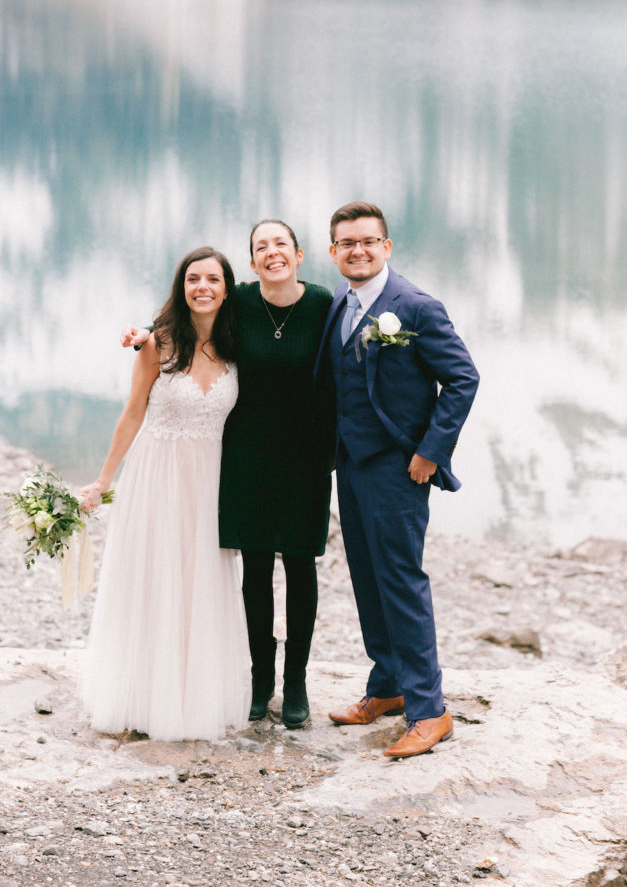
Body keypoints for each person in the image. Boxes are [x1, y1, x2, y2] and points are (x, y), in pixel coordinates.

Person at [123, 221, 333, 729]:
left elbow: (343, 366)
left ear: (299, 254)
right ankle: (261, 681)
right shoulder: (239, 300)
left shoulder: (324, 305)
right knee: (256, 570)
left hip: (305, 458)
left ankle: (296, 681)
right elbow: (193, 311)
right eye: (261, 247)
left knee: (300, 569)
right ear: (253, 260)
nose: (272, 253)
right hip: (247, 456)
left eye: (280, 244)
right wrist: (146, 335)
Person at [315, 201, 479, 759]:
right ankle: (387, 686)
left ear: (386, 247)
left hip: (398, 467)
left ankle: (430, 710)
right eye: (346, 243)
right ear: (333, 250)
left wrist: (430, 453)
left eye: (367, 241)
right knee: (366, 576)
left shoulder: (416, 307)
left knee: (402, 581)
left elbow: (462, 379)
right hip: (350, 462)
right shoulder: (340, 298)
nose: (357, 250)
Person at [80, 247, 251, 741]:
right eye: (193, 278)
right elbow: (133, 412)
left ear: (226, 288)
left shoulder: (238, 343)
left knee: (199, 581)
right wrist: (104, 479)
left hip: (209, 482)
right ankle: (141, 694)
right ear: (182, 287)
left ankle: (191, 695)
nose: (203, 287)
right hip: (157, 476)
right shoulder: (158, 343)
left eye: (212, 279)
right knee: (153, 577)